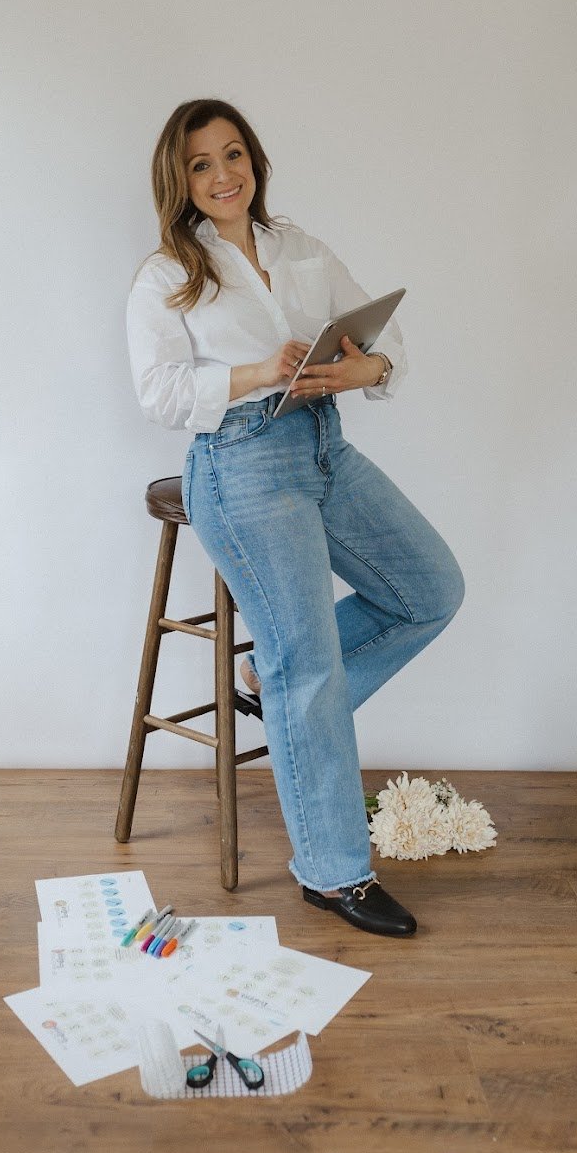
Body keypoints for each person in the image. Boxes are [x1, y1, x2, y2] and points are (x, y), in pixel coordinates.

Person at [125, 98, 465, 938]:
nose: (223, 174)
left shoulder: (299, 247)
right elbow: (159, 394)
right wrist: (250, 374)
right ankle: (334, 873)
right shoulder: (168, 274)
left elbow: (390, 344)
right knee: (305, 662)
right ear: (181, 180)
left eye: (233, 154)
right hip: (239, 460)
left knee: (429, 588)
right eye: (202, 164)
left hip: (322, 443)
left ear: (255, 160)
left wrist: (363, 371)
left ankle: (273, 689)